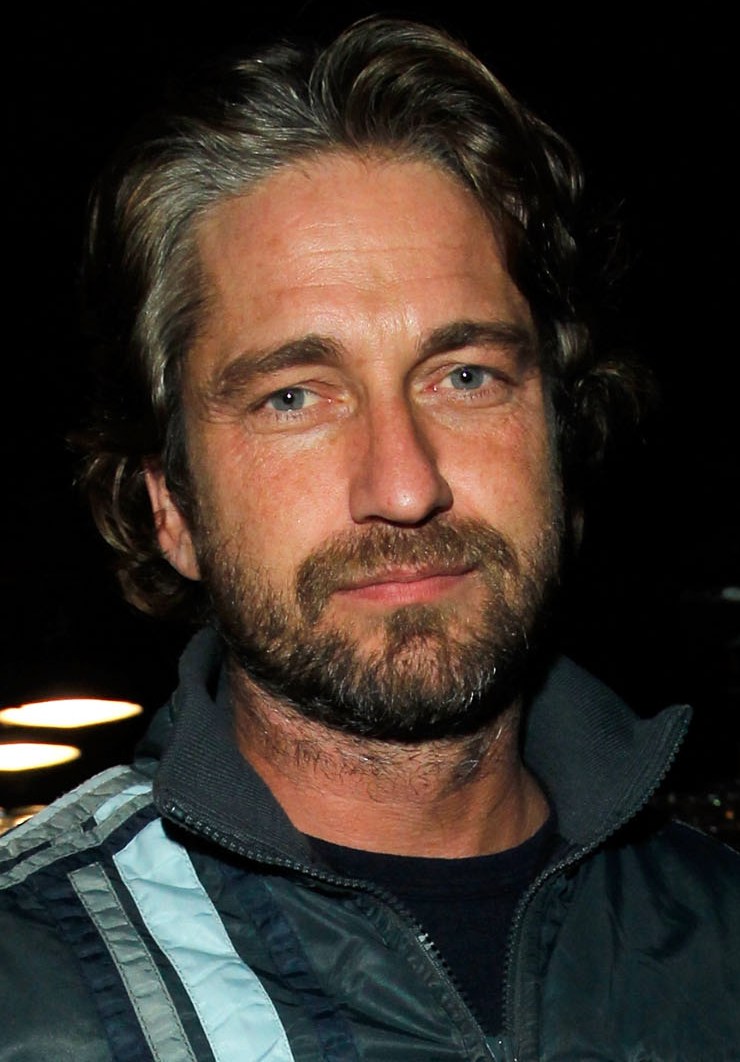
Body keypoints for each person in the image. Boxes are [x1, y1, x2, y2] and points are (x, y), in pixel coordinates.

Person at [1, 17, 738, 1061]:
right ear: (171, 507)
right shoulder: (29, 995)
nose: (404, 485)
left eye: (465, 377)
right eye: (294, 397)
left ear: (560, 437)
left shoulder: (720, 943)